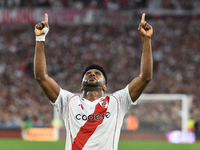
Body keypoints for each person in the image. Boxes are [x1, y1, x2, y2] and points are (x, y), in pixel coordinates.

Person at [34, 13, 153, 150]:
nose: (92, 74)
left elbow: (145, 77)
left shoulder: (117, 101)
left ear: (105, 86)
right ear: (80, 86)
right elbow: (41, 77)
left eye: (97, 74)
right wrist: (40, 38)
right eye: (88, 74)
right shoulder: (68, 101)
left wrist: (146, 39)